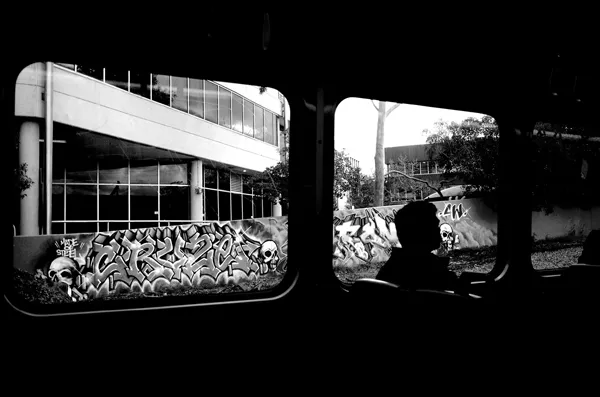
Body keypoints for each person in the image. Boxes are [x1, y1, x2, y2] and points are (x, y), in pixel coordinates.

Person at [376, 201, 459, 292]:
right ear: (421, 232)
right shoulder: (432, 272)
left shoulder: (390, 269)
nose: (439, 231)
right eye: (434, 226)